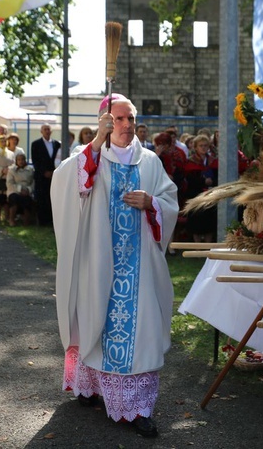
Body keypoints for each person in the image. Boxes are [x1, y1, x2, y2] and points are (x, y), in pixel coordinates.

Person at [51, 94, 178, 438]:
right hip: (99, 263)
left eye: (130, 119)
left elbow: (170, 201)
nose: (125, 126)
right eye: (118, 119)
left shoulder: (150, 161)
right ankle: (91, 387)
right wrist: (94, 142)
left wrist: (152, 203)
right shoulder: (92, 156)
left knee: (142, 333)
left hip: (139, 268)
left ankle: (137, 408)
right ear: (106, 123)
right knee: (96, 323)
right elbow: (67, 184)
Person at [184, 134, 218, 242]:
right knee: (196, 220)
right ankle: (197, 247)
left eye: (205, 145)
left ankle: (208, 246)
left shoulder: (213, 161)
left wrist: (212, 181)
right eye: (201, 146)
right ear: (195, 147)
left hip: (210, 194)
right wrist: (203, 181)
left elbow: (218, 176)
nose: (203, 148)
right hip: (195, 194)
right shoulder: (190, 162)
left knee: (209, 219)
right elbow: (190, 179)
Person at [30, 124, 60, 226]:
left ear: (51, 131)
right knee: (42, 198)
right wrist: (44, 172)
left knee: (52, 198)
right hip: (41, 176)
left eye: (48, 129)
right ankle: (42, 221)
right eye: (45, 129)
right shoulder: (36, 144)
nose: (47, 131)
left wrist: (53, 172)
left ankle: (52, 221)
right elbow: (35, 161)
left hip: (54, 175)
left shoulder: (57, 144)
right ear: (41, 131)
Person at [6, 153, 35, 226]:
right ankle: (11, 220)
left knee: (27, 200)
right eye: (19, 160)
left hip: (27, 191)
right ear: (16, 161)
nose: (21, 161)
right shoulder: (11, 170)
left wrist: (28, 190)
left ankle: (26, 222)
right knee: (14, 198)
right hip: (14, 191)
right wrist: (20, 190)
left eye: (22, 159)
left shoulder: (30, 170)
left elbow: (33, 183)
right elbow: (9, 184)